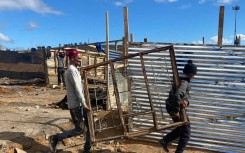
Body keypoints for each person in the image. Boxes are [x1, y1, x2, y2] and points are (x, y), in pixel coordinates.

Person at [49, 49, 92, 153]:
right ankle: (55, 138)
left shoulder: (74, 69)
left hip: (80, 103)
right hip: (76, 105)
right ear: (72, 58)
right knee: (79, 129)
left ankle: (87, 147)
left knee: (90, 125)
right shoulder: (72, 70)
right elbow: (78, 89)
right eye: (79, 58)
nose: (80, 60)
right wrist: (84, 104)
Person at [159, 60, 197, 153]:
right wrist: (176, 110)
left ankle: (165, 140)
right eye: (194, 74)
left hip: (172, 106)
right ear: (190, 73)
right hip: (175, 108)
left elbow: (182, 97)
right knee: (186, 132)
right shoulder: (184, 82)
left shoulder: (181, 79)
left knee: (182, 129)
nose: (194, 76)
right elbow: (177, 96)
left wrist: (186, 103)